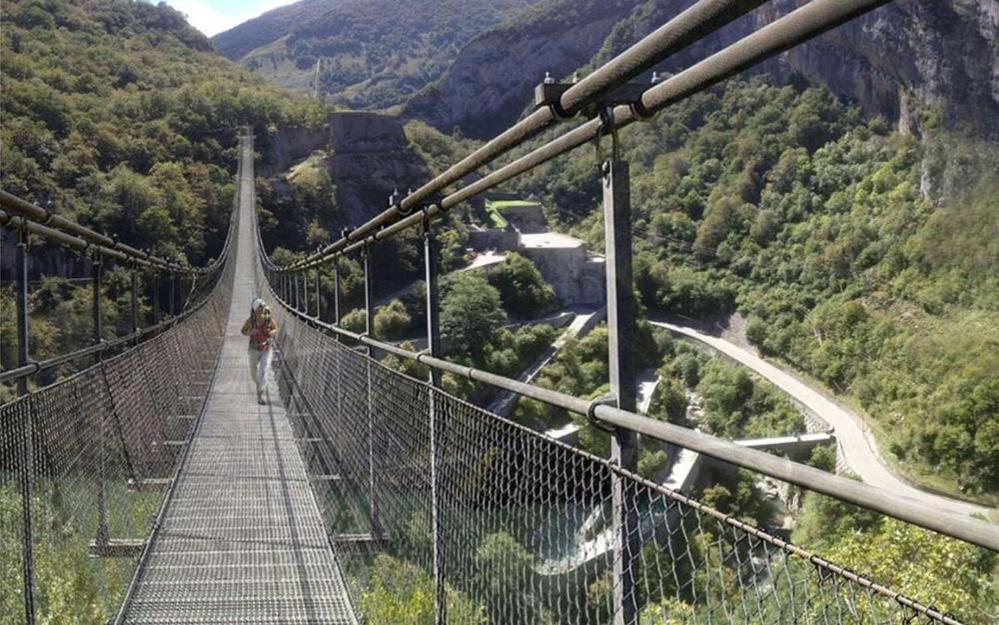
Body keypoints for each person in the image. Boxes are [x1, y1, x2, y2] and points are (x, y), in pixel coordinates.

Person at [241, 298, 277, 405]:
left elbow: (275, 328)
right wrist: (250, 332)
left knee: (264, 371)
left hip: (266, 348)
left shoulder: (268, 318)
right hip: (254, 349)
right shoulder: (250, 321)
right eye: (261, 307)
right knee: (253, 373)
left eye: (263, 306)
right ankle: (259, 385)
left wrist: (271, 333)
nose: (263, 308)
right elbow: (242, 331)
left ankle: (260, 395)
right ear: (256, 309)